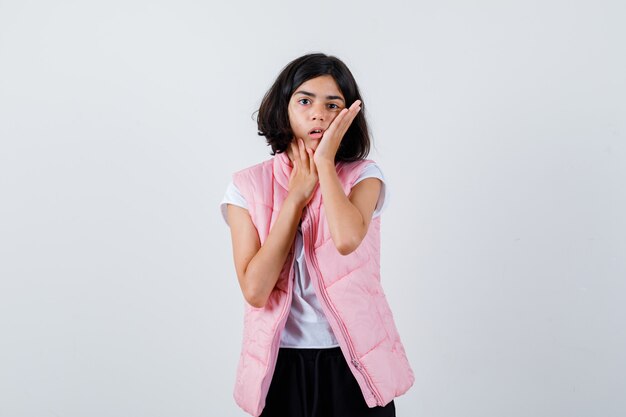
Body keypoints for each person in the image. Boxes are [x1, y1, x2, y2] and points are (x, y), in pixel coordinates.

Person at [220, 53, 414, 417]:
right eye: (305, 101)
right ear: (284, 106)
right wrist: (295, 197)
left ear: (347, 114)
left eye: (332, 104)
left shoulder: (363, 176)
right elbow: (255, 291)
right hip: (279, 365)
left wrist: (324, 163)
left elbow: (345, 240)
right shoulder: (246, 186)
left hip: (355, 363)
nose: (318, 114)